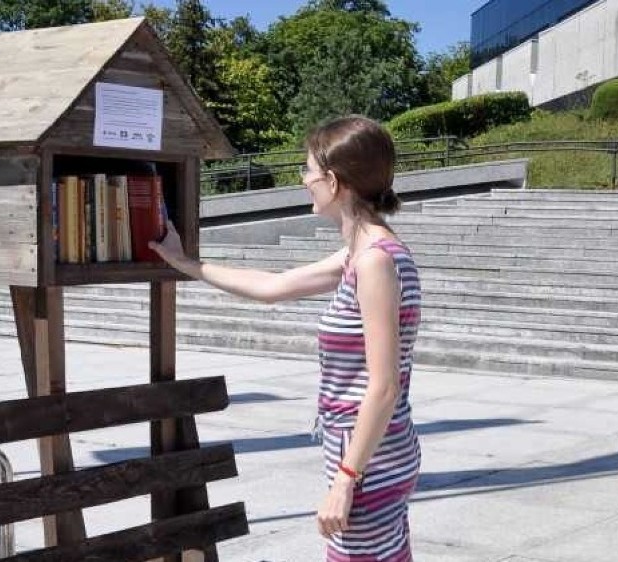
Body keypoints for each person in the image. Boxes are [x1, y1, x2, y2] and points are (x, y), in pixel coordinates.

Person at [149, 114, 421, 562]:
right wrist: (184, 263)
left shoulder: (374, 261)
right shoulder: (362, 252)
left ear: (334, 182)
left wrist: (346, 479)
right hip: (371, 447)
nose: (304, 179)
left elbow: (384, 386)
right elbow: (272, 287)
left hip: (369, 455)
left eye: (308, 170)